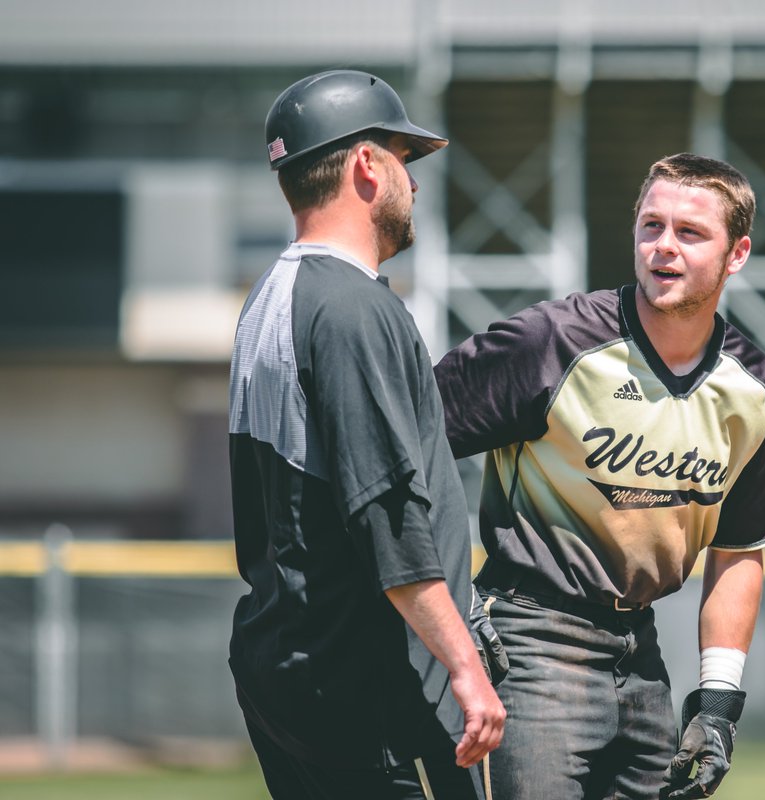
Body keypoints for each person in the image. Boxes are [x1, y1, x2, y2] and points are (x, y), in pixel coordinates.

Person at [434, 152, 765, 799]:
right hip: (530, 641)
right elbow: (399, 445)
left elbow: (739, 548)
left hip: (641, 656)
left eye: (690, 233)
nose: (664, 247)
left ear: (736, 253)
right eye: (650, 226)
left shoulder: (750, 381)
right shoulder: (551, 341)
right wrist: (447, 599)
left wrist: (718, 703)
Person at [227, 70, 506, 800]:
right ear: (364, 166)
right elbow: (387, 517)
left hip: (286, 661)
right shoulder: (351, 309)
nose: (414, 185)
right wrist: (465, 667)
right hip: (364, 683)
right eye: (403, 161)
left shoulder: (269, 298)